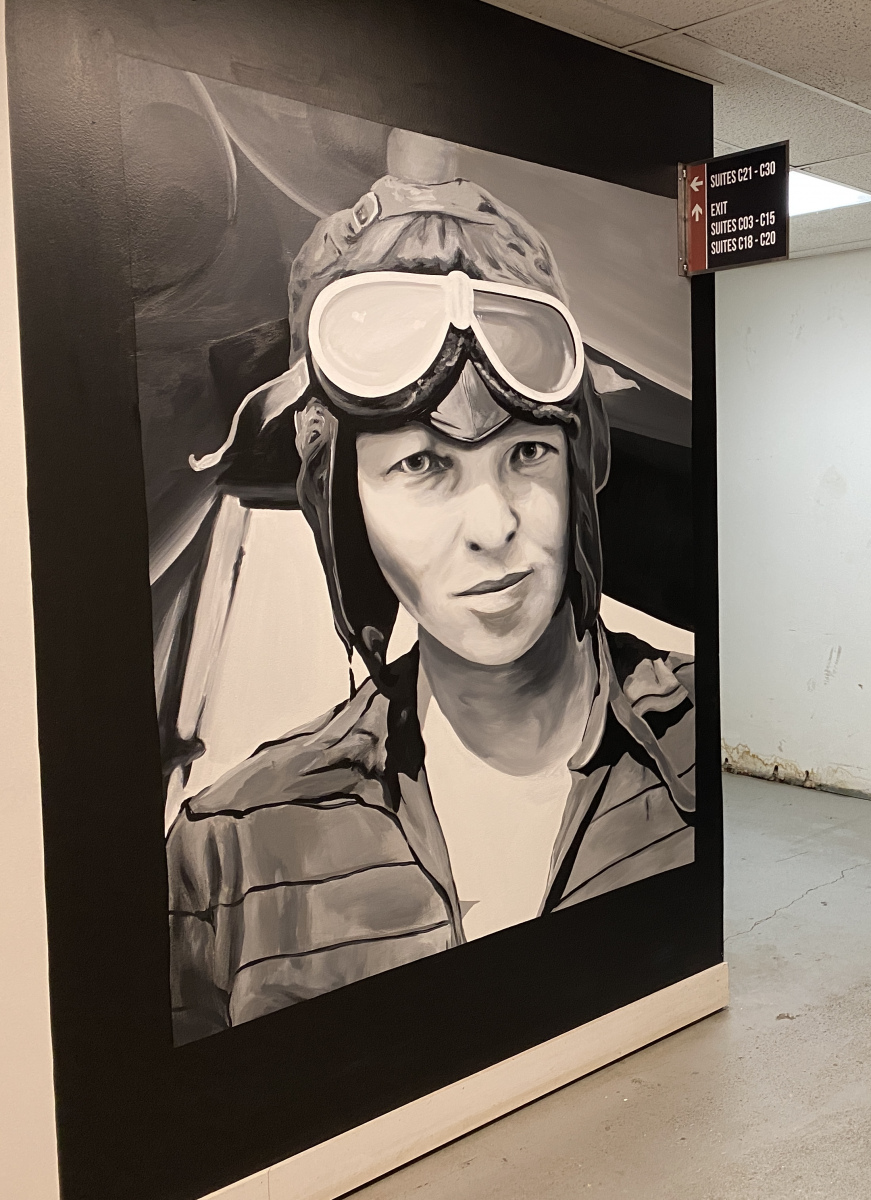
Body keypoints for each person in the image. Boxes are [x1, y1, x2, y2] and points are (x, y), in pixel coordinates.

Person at [166, 165, 694, 1046]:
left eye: (526, 452)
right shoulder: (231, 853)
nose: (494, 527)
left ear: (578, 460)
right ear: (343, 503)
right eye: (421, 463)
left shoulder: (707, 745)